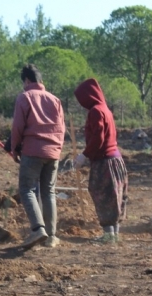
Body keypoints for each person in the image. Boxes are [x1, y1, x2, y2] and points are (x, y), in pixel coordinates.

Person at [10, 64, 65, 249]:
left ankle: (37, 229)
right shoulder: (55, 99)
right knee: (48, 191)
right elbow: (61, 128)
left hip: (32, 151)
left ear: (26, 81)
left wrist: (14, 148)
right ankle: (51, 236)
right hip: (53, 152)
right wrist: (56, 149)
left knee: (27, 189)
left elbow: (17, 127)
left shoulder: (24, 97)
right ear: (40, 80)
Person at [73, 78, 129, 243]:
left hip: (105, 162)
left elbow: (98, 137)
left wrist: (84, 155)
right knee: (115, 197)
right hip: (115, 160)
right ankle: (113, 235)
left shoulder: (96, 111)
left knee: (103, 196)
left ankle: (109, 235)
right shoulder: (106, 109)